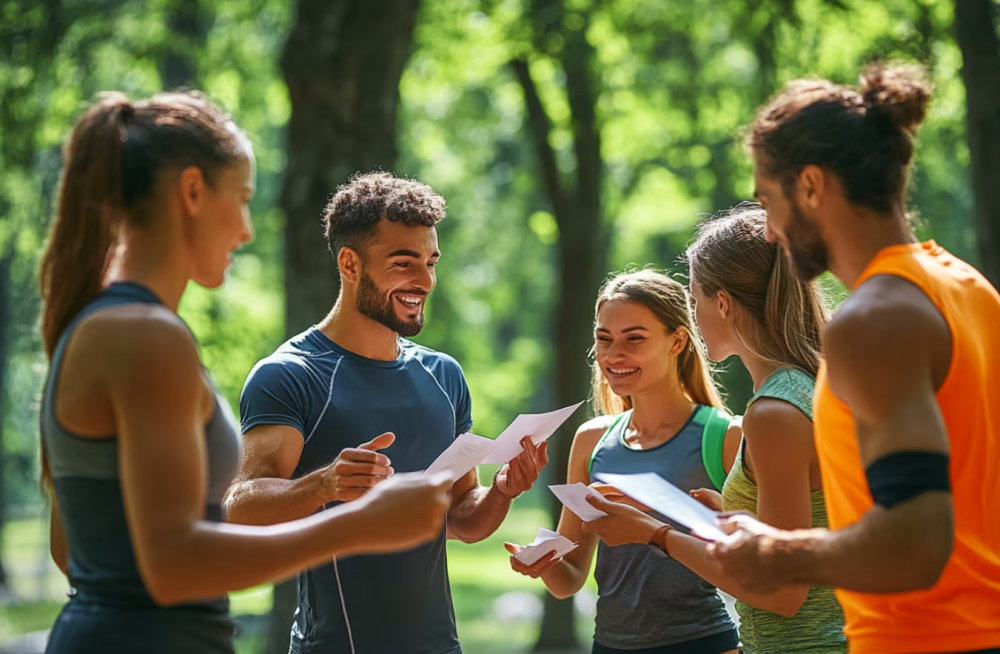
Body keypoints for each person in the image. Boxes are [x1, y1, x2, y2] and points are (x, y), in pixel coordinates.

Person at [38, 93, 452, 654]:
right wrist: (359, 524)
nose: (247, 230)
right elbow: (174, 567)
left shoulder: (110, 325)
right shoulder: (145, 335)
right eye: (242, 199)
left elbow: (72, 550)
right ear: (192, 192)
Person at [706, 64, 1000, 654]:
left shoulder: (872, 321)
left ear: (811, 186)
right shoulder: (968, 287)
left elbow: (916, 542)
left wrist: (779, 552)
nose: (770, 232)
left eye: (768, 201)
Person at [224, 171, 549, 654]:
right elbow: (238, 508)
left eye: (431, 262)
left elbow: (461, 519)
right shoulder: (290, 374)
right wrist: (324, 485)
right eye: (404, 263)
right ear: (350, 264)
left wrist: (502, 490)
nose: (425, 281)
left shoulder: (444, 375)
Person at [582, 206, 846, 654]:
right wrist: (728, 518)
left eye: (695, 299)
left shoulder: (774, 411)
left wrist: (656, 533)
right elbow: (809, 534)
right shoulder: (808, 386)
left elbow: (782, 592)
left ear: (722, 303)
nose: (694, 314)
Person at [504, 270, 741, 654]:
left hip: (704, 642)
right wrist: (541, 562)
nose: (613, 355)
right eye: (604, 339)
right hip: (609, 645)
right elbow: (570, 579)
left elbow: (755, 570)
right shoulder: (591, 440)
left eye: (634, 339)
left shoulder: (724, 436)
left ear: (677, 341)